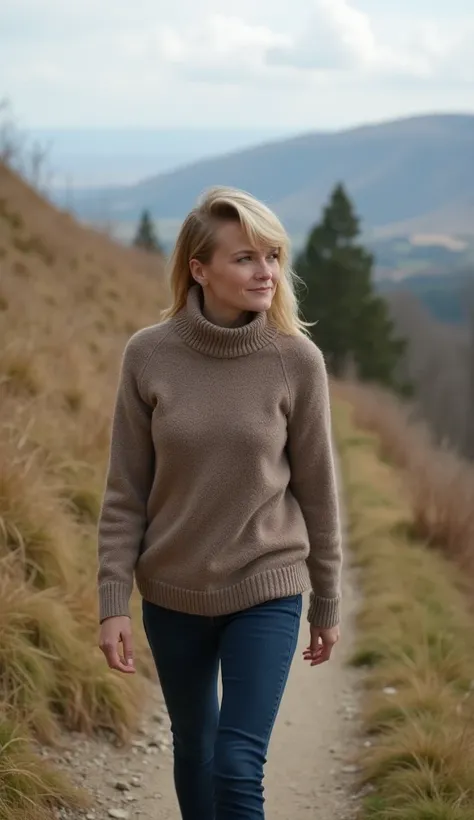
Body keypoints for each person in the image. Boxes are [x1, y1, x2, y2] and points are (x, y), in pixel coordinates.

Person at [97, 186, 343, 820]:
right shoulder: (148, 355)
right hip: (173, 590)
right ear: (199, 269)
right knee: (194, 751)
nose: (265, 272)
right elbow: (125, 490)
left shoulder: (297, 361)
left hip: (267, 584)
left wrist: (327, 598)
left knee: (236, 762)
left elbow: (318, 491)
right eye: (245, 258)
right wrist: (112, 601)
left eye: (273, 256)